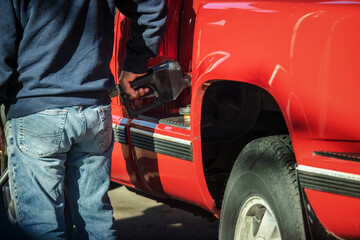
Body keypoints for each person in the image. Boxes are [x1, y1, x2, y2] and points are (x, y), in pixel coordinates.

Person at [0, 0, 167, 239]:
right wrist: (135, 64)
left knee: (42, 227)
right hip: (93, 111)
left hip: (37, 111)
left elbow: (2, 47)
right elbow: (151, 6)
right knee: (96, 219)